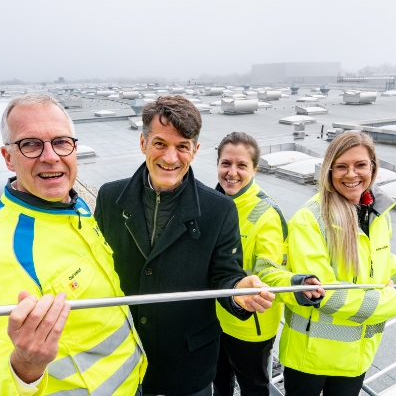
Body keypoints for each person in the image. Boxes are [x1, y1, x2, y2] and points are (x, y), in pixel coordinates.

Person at [0, 94, 146, 396]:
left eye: (60, 142)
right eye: (30, 144)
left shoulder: (76, 207)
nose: (50, 156)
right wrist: (24, 368)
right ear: (8, 157)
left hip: (133, 382)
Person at [95, 96, 276, 396]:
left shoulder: (219, 210)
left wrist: (238, 291)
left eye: (182, 146)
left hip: (188, 367)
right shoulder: (110, 198)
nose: (170, 157)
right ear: (142, 142)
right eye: (160, 144)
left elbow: (225, 275)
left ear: (195, 150)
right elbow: (97, 267)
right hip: (120, 357)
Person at [279, 131, 396, 396]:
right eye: (341, 166)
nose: (351, 175)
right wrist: (394, 301)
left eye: (360, 165)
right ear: (329, 170)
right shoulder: (310, 218)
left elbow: (379, 258)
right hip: (310, 357)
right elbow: (324, 292)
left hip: (356, 357)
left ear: (373, 167)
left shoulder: (376, 212)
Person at [212, 132, 325, 396]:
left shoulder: (266, 214)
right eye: (226, 163)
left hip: (250, 325)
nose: (232, 172)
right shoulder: (212, 203)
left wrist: (296, 283)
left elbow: (269, 270)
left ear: (255, 169)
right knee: (219, 381)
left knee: (253, 386)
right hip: (216, 317)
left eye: (242, 165)